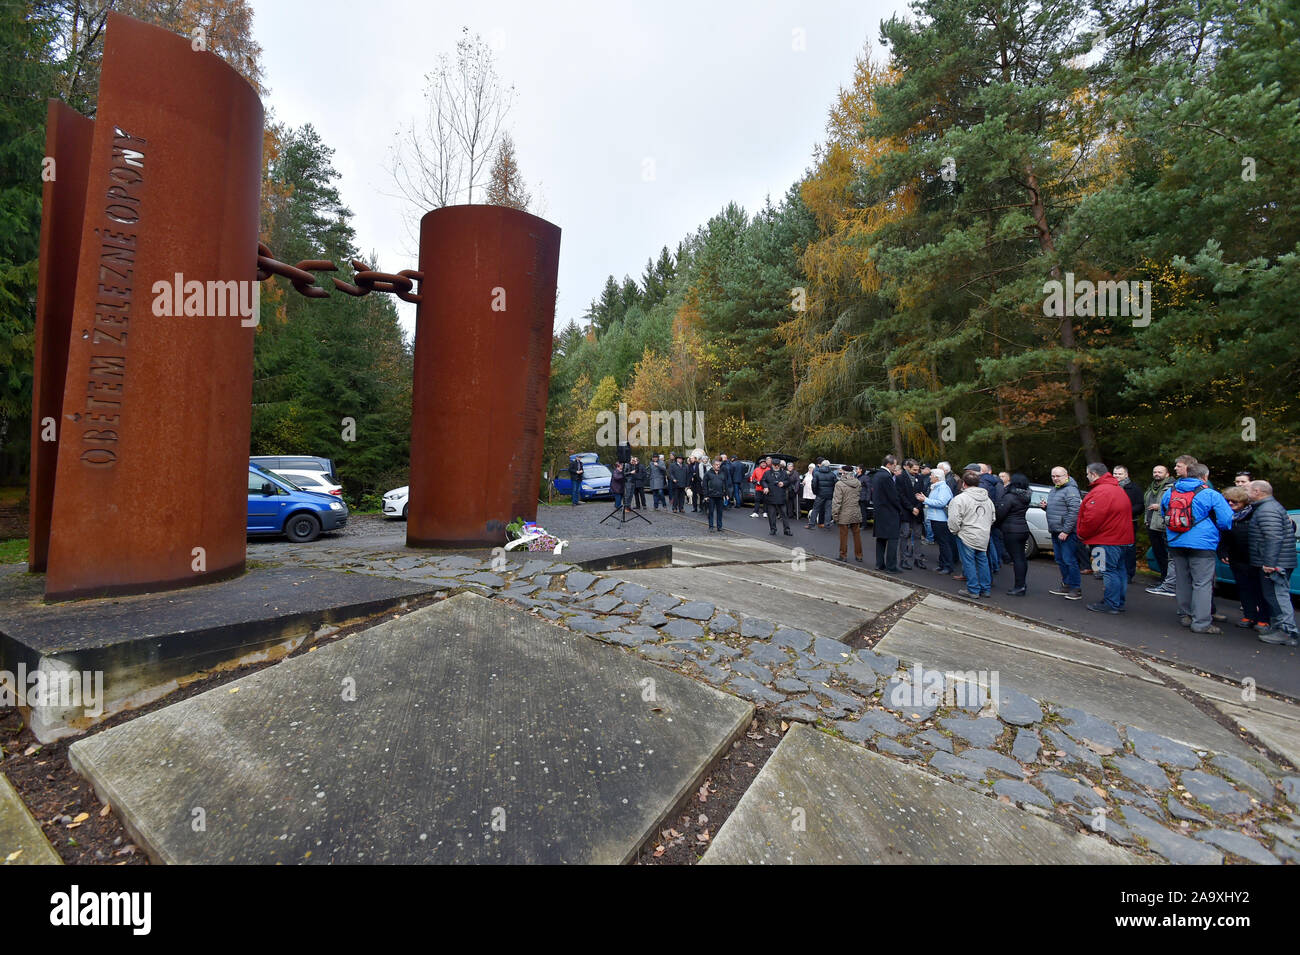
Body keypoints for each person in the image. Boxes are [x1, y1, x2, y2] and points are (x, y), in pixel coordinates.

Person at [1162, 462, 1233, 634]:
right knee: (1202, 583)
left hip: (1176, 541)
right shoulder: (1210, 494)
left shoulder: (1170, 492)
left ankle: (1186, 615)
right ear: (1205, 477)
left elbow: (1164, 513)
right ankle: (1201, 623)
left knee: (1183, 580)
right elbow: (1226, 520)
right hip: (1202, 543)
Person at [1076, 463, 1134, 614]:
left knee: (1108, 571)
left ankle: (1111, 603)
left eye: (1087, 474)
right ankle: (1117, 601)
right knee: (1119, 570)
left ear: (1093, 474)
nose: (1087, 477)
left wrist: (1082, 533)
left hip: (1106, 540)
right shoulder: (1116, 489)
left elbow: (1092, 518)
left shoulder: (1101, 492)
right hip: (1122, 539)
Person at [1246, 480, 1298, 646]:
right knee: (1273, 595)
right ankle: (1279, 628)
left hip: (1276, 563)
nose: (1245, 492)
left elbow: (1273, 537)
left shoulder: (1267, 510)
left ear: (1257, 491)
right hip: (1276, 560)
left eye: (1248, 489)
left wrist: (1269, 563)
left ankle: (1287, 631)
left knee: (1278, 596)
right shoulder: (1267, 507)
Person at [1218, 486, 1266, 631]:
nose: (1231, 503)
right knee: (1243, 587)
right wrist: (1222, 552)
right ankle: (1249, 615)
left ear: (1243, 501)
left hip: (1254, 557)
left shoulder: (1254, 514)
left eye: (1235, 501)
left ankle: (1263, 618)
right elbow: (1224, 538)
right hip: (1236, 557)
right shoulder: (1228, 517)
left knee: (1259, 589)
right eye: (1228, 501)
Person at [948, 470, 994, 598]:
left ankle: (973, 589)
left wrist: (955, 531)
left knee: (968, 562)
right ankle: (985, 589)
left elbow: (953, 519)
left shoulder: (960, 499)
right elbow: (992, 517)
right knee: (982, 561)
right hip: (983, 534)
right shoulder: (987, 500)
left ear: (964, 483)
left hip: (966, 534)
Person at [1043, 466, 1083, 599]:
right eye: (1053, 476)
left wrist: (1066, 531)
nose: (1055, 479)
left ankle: (1076, 588)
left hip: (1067, 533)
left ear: (1066, 475)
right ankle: (1066, 584)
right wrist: (1046, 508)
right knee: (1060, 560)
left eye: (1058, 476)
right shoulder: (1054, 490)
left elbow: (1074, 512)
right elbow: (1060, 510)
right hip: (1055, 531)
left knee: (1069, 560)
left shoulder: (1071, 490)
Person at [995, 473, 1032, 594]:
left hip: (1011, 530)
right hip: (1023, 529)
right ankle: (1022, 585)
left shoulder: (1010, 497)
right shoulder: (1026, 497)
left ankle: (1019, 586)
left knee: (1017, 559)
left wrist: (995, 524)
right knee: (1021, 558)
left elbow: (1000, 514)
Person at [1144, 464, 1175, 586]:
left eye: (1160, 472)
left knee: (1168, 555)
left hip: (1164, 524)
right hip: (1151, 524)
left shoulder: (1172, 487)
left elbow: (1175, 504)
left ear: (1167, 474)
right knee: (1159, 553)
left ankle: (1169, 581)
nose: (1157, 474)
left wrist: (1160, 506)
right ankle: (1163, 577)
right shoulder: (1152, 487)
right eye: (1155, 472)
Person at [871, 455, 903, 572]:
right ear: (888, 465)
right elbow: (893, 496)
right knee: (893, 539)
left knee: (881, 539)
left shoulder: (877, 475)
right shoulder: (886, 476)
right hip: (889, 512)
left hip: (879, 512)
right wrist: (900, 509)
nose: (895, 467)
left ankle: (879, 564)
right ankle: (891, 566)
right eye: (894, 465)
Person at [922, 469, 956, 575]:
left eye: (932, 475)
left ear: (937, 477)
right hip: (936, 518)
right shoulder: (937, 487)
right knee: (941, 543)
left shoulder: (943, 488)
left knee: (944, 543)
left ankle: (948, 566)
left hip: (941, 519)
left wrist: (925, 500)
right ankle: (942, 564)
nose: (930, 476)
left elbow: (942, 502)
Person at [1113, 466, 1144, 584]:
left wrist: (1125, 512)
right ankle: (1110, 571)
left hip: (1129, 523)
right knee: (1112, 547)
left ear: (1126, 475)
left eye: (1119, 474)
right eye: (1115, 473)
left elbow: (1140, 506)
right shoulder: (1111, 487)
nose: (1117, 476)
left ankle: (1128, 574)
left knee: (1129, 549)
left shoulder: (1134, 489)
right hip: (1112, 523)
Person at [898, 459, 927, 570]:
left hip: (918, 511)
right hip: (906, 511)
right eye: (914, 469)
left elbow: (922, 494)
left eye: (917, 469)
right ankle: (903, 560)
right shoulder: (901, 478)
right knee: (904, 535)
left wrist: (918, 507)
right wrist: (911, 508)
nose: (916, 471)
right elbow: (901, 495)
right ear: (907, 467)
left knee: (918, 535)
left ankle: (918, 559)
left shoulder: (920, 478)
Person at [832, 465, 864, 561]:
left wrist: (835, 514)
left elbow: (837, 501)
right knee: (857, 535)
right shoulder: (858, 483)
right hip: (855, 511)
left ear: (844, 473)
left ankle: (843, 555)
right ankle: (859, 556)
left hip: (844, 512)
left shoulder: (839, 484)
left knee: (843, 535)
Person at [760, 460, 793, 536]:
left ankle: (787, 530)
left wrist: (784, 483)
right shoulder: (767, 473)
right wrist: (765, 487)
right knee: (771, 515)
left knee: (784, 514)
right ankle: (773, 529)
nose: (776, 466)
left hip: (781, 497)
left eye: (777, 465)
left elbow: (788, 481)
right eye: (775, 465)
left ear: (779, 465)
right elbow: (762, 481)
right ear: (772, 465)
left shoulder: (784, 473)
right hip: (771, 496)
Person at [809, 458, 837, 529]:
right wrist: (832, 492)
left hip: (820, 494)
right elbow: (835, 485)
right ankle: (827, 524)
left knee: (815, 509)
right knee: (828, 510)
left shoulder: (817, 473)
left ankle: (811, 524)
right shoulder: (832, 474)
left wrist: (815, 492)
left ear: (822, 465)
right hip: (829, 495)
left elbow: (814, 484)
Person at [705, 458, 728, 531]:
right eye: (717, 465)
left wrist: (726, 494)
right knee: (711, 512)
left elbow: (725, 484)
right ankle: (711, 527)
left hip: (720, 496)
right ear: (713, 465)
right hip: (711, 496)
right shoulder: (708, 474)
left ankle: (719, 527)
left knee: (720, 512)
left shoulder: (722, 473)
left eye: (719, 465)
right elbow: (704, 486)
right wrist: (706, 496)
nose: (718, 466)